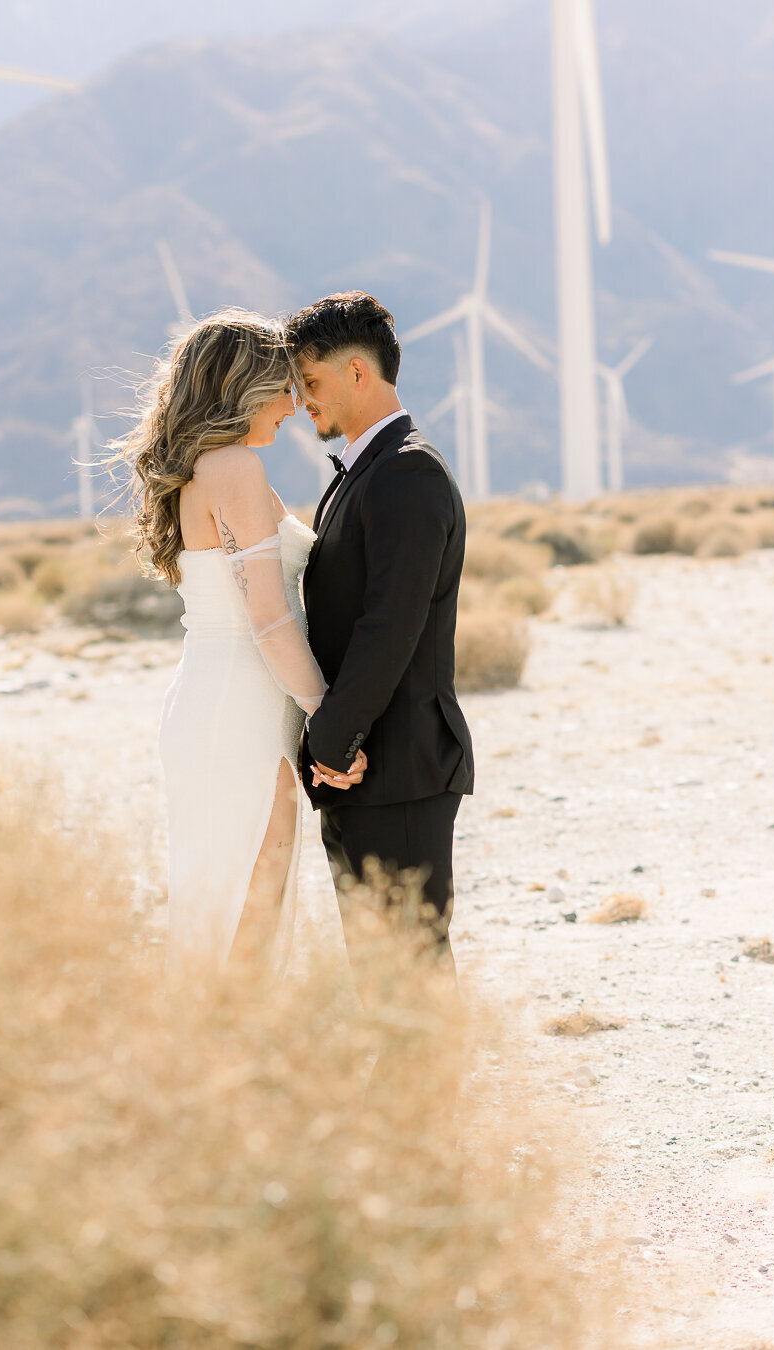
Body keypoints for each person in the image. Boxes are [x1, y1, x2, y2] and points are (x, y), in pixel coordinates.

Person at [112, 309, 366, 974]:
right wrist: (330, 715)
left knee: (232, 899)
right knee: (248, 901)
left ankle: (229, 1062)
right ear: (245, 387)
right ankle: (231, 1062)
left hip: (230, 696)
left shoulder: (210, 466)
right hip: (239, 702)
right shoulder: (233, 467)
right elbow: (270, 619)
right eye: (284, 386)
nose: (296, 403)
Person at [286, 291, 474, 988]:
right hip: (368, 765)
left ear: (358, 373)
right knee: (382, 969)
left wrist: (331, 743)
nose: (302, 400)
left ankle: (431, 1099)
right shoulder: (368, 470)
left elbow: (388, 626)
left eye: (311, 381)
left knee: (408, 966)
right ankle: (405, 1099)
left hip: (395, 765)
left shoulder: (406, 472)